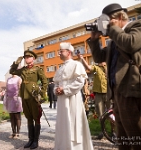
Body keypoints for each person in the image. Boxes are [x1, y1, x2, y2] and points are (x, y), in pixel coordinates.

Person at [87, 3, 141, 150]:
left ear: (119, 17)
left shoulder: (136, 26)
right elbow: (99, 58)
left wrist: (111, 28)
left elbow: (131, 44)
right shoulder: (114, 40)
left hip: (131, 91)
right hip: (116, 93)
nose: (105, 26)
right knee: (122, 140)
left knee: (135, 137)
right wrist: (94, 39)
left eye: (107, 20)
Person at [53, 42, 93, 150]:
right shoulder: (60, 68)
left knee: (73, 123)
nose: (59, 54)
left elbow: (80, 81)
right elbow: (56, 83)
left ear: (69, 52)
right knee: (63, 123)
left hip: (72, 98)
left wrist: (65, 89)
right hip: (62, 100)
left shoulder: (77, 65)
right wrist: (56, 90)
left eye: (61, 51)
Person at [9, 50, 48, 149]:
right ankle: (30, 140)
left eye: (28, 57)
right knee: (29, 118)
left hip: (33, 96)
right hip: (24, 95)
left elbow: (45, 82)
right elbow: (12, 71)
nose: (26, 59)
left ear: (33, 58)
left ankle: (35, 141)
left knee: (36, 118)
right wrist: (17, 62)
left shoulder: (37, 69)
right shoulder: (23, 69)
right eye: (25, 57)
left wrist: (41, 94)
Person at [77, 54, 109, 139]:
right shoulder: (96, 67)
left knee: (112, 113)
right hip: (98, 94)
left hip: (109, 93)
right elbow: (88, 67)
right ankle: (104, 133)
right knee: (101, 114)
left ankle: (114, 132)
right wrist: (82, 58)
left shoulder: (109, 66)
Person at [3, 74, 23, 139]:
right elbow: (6, 89)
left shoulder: (19, 79)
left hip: (16, 98)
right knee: (11, 117)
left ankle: (18, 132)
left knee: (17, 116)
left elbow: (20, 89)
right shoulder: (8, 79)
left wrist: (18, 98)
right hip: (10, 99)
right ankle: (13, 132)